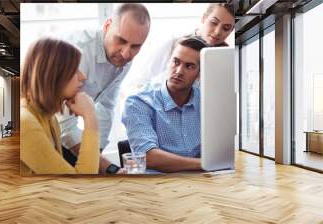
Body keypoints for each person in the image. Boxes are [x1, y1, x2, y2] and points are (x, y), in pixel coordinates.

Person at [58, 3, 151, 174]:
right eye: (121, 40)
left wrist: (97, 151)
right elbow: (64, 126)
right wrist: (107, 167)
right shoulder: (76, 51)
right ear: (107, 26)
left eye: (136, 46)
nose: (126, 54)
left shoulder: (124, 59)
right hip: (43, 132)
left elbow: (106, 107)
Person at [122, 36, 207, 173]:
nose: (179, 71)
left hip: (201, 183)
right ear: (168, 62)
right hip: (157, 187)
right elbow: (148, 157)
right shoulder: (139, 102)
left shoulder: (206, 100)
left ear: (199, 74)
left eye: (189, 66)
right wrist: (204, 163)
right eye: (175, 62)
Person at [20, 38, 100, 175]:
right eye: (74, 71)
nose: (83, 77)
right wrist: (90, 116)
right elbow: (81, 183)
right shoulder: (26, 123)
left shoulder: (50, 119)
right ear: (53, 75)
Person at [141, 2, 234, 85]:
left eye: (226, 28)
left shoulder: (229, 57)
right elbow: (142, 80)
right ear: (204, 18)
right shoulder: (174, 44)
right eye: (214, 22)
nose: (218, 31)